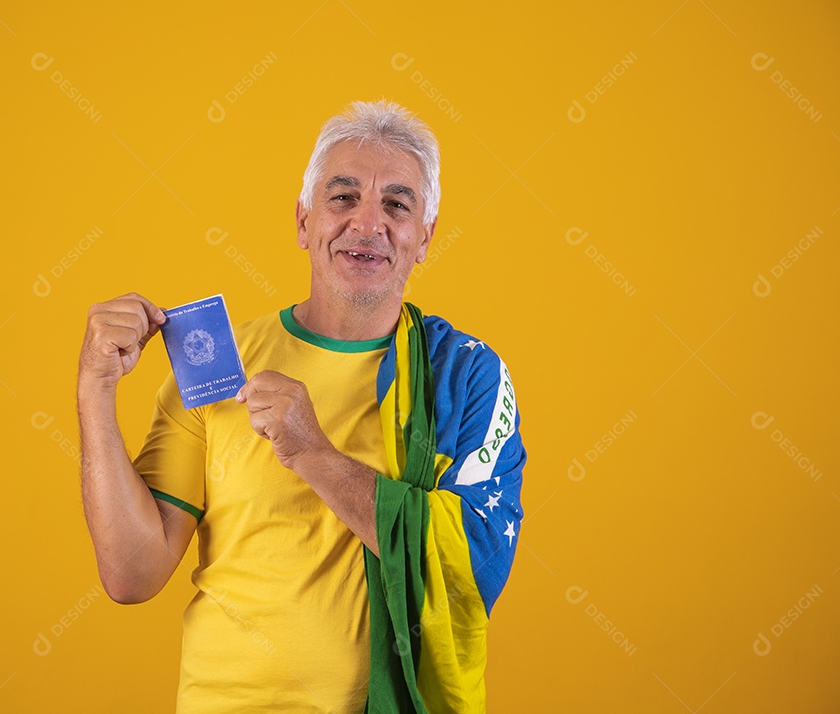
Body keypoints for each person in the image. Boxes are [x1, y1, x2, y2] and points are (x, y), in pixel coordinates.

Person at [77, 100, 527, 713]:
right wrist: (96, 393)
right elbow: (133, 574)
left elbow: (472, 562)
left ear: (424, 237)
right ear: (302, 221)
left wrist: (313, 453)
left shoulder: (466, 377)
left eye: (397, 205)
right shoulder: (217, 363)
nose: (368, 224)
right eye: (343, 198)